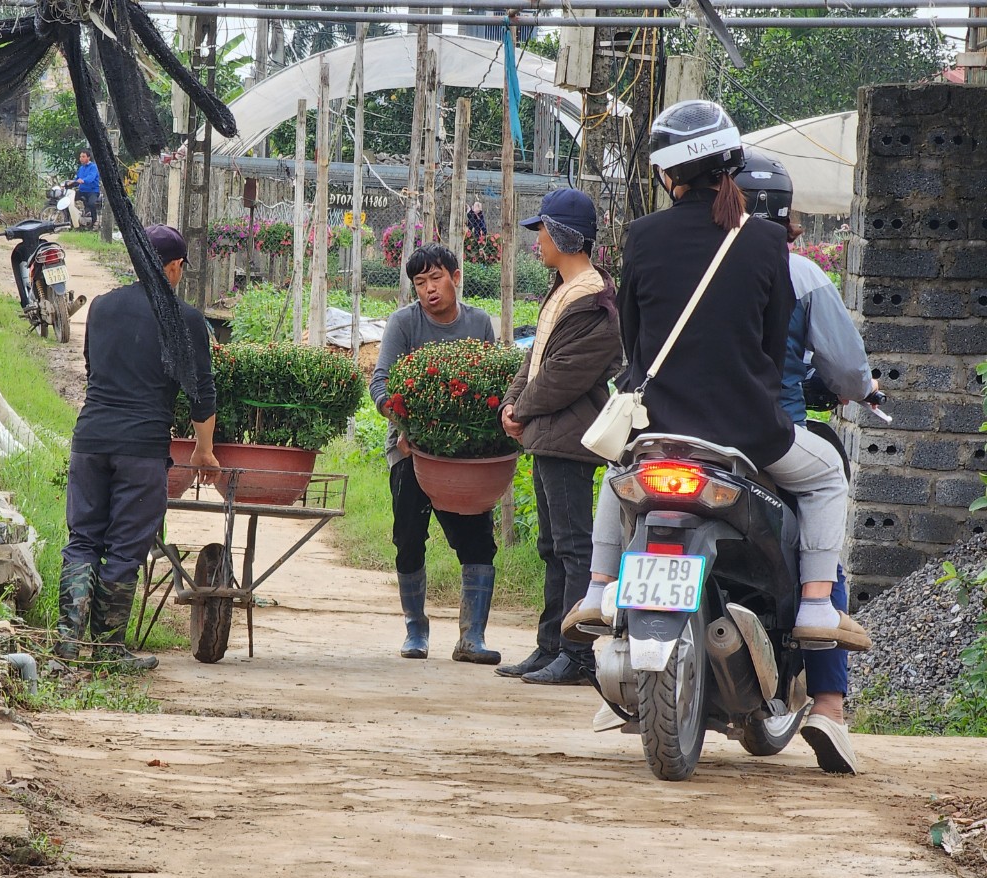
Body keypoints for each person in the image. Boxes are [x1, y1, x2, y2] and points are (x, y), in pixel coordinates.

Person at [568, 100, 871, 773]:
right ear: (729, 162)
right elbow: (768, 352)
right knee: (825, 476)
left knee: (618, 478)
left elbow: (636, 344)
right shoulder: (766, 243)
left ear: (667, 173)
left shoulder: (641, 237)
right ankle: (818, 605)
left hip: (661, 428)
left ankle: (595, 590)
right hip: (748, 436)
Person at [735, 148, 881, 774]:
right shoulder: (799, 272)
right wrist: (863, 390)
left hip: (685, 430)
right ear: (788, 214)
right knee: (823, 535)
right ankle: (828, 702)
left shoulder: (689, 262)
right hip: (776, 434)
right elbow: (846, 367)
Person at [53, 224, 219, 670]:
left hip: (90, 441)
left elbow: (92, 368)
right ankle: (107, 650)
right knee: (125, 547)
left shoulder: (103, 307)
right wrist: (204, 450)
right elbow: (201, 392)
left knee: (83, 539)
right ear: (172, 266)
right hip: (141, 449)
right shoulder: (185, 319)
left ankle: (66, 642)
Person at [496, 189, 621, 685]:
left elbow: (565, 374)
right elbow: (536, 358)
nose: (537, 242)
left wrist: (521, 407)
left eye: (542, 231)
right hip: (546, 434)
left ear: (565, 236)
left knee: (573, 547)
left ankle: (579, 653)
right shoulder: (563, 290)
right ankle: (550, 645)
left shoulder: (594, 299)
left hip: (568, 437)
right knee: (552, 545)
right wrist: (512, 400)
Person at [369, 244, 501, 665]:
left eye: (436, 279)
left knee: (477, 540)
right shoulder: (403, 323)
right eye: (420, 282)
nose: (429, 289)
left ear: (456, 277)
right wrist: (405, 428)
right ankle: (415, 630)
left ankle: (472, 637)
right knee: (409, 539)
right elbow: (381, 384)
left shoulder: (480, 322)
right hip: (410, 451)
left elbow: (490, 387)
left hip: (467, 457)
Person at [67, 149, 101, 229]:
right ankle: (71, 221)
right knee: (69, 200)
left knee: (91, 203)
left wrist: (83, 180)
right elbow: (77, 178)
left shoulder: (93, 167)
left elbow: (91, 177)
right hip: (82, 191)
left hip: (92, 191)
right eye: (80, 157)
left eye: (83, 156)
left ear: (88, 158)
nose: (81, 158)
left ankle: (94, 221)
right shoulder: (81, 168)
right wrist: (71, 182)